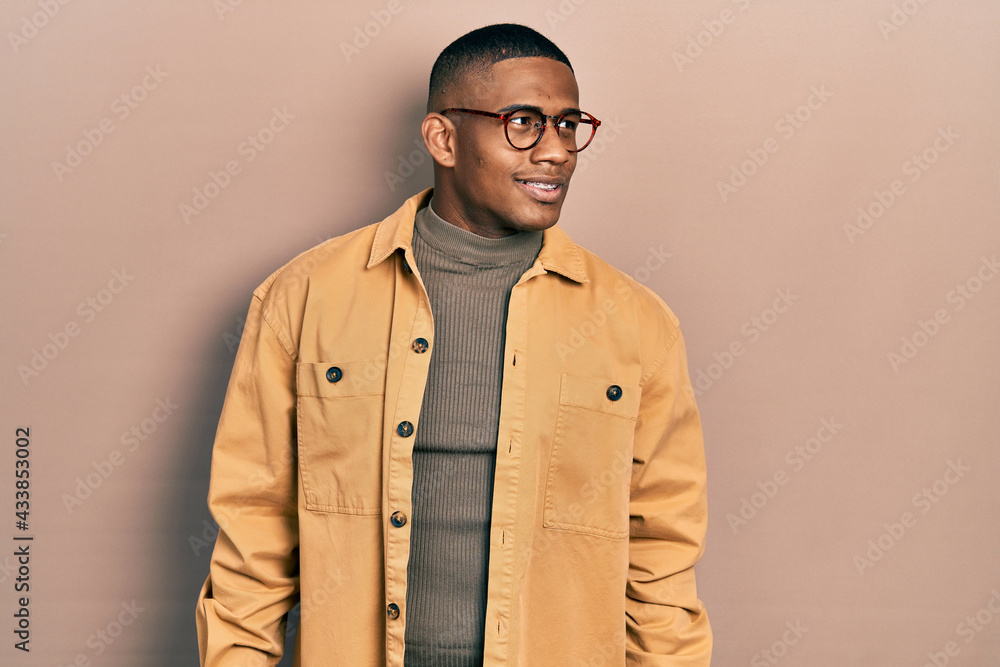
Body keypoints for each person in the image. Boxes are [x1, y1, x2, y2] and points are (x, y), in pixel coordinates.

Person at [196, 23, 711, 666]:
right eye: (523, 123)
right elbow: (253, 534)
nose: (557, 152)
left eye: (568, 125)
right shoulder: (303, 299)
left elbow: (662, 558)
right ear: (443, 138)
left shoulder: (636, 324)